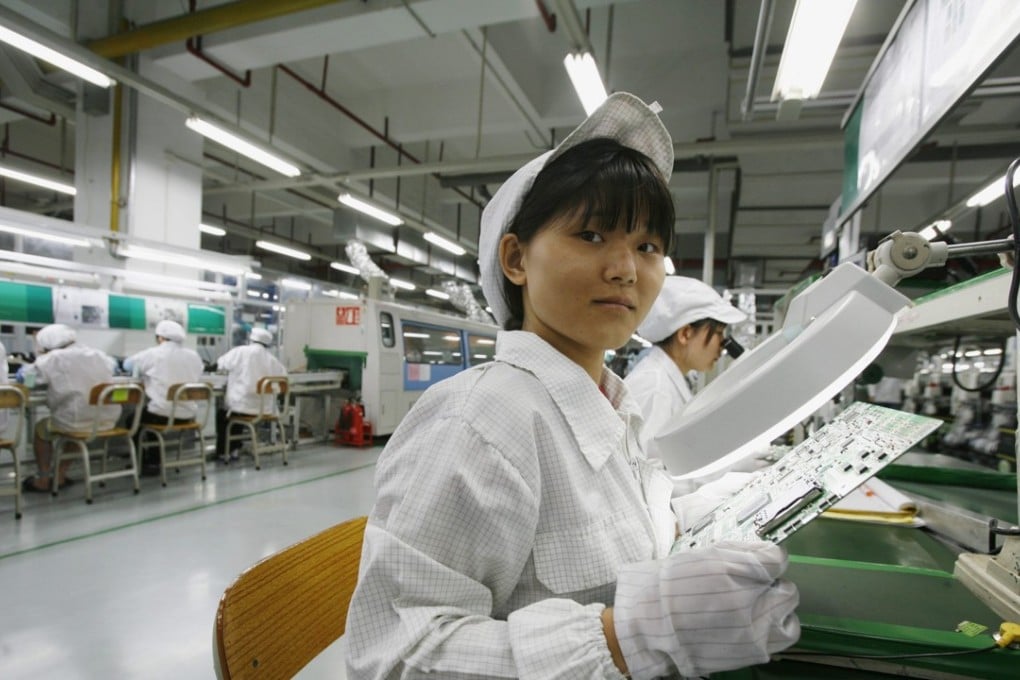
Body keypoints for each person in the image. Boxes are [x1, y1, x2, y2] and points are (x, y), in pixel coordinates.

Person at [345, 92, 799, 679]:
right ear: (516, 259)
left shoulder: (610, 406)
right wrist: (624, 636)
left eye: (648, 246)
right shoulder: (481, 420)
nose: (626, 269)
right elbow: (394, 660)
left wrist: (694, 515)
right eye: (591, 235)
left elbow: (608, 531)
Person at [625, 276, 747, 460]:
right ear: (685, 334)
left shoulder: (666, 379)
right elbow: (646, 475)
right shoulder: (655, 389)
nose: (722, 345)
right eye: (719, 333)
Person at [18, 324, 120, 492]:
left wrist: (31, 364)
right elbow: (114, 366)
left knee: (41, 429)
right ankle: (60, 475)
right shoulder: (98, 354)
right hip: (106, 420)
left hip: (75, 420)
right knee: (78, 432)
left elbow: (26, 378)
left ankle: (43, 479)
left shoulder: (52, 358)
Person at [123, 320, 205, 476]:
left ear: (160, 338)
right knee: (153, 415)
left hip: (162, 415)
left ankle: (143, 461)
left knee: (133, 420)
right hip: (188, 416)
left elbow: (128, 365)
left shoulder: (154, 353)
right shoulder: (193, 356)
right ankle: (154, 459)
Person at [214, 327, 287, 463]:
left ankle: (224, 453)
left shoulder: (240, 351)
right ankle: (235, 449)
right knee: (238, 412)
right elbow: (284, 378)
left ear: (251, 339)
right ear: (267, 344)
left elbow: (220, 364)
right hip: (266, 410)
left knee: (225, 414)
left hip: (242, 408)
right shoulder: (272, 360)